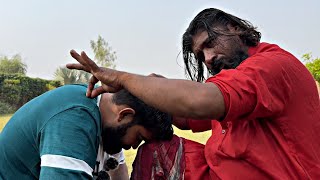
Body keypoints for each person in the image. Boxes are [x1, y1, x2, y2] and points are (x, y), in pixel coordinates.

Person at [66, 8, 320, 179]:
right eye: (200, 55)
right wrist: (134, 87)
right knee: (155, 152)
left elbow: (196, 102)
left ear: (235, 28)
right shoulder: (236, 78)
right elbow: (183, 113)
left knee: (156, 155)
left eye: (210, 44)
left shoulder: (270, 66)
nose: (208, 59)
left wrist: (123, 78)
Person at [0, 84, 173, 179]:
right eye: (138, 137)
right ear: (125, 114)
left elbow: (117, 171)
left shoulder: (108, 122)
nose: (134, 146)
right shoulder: (75, 119)